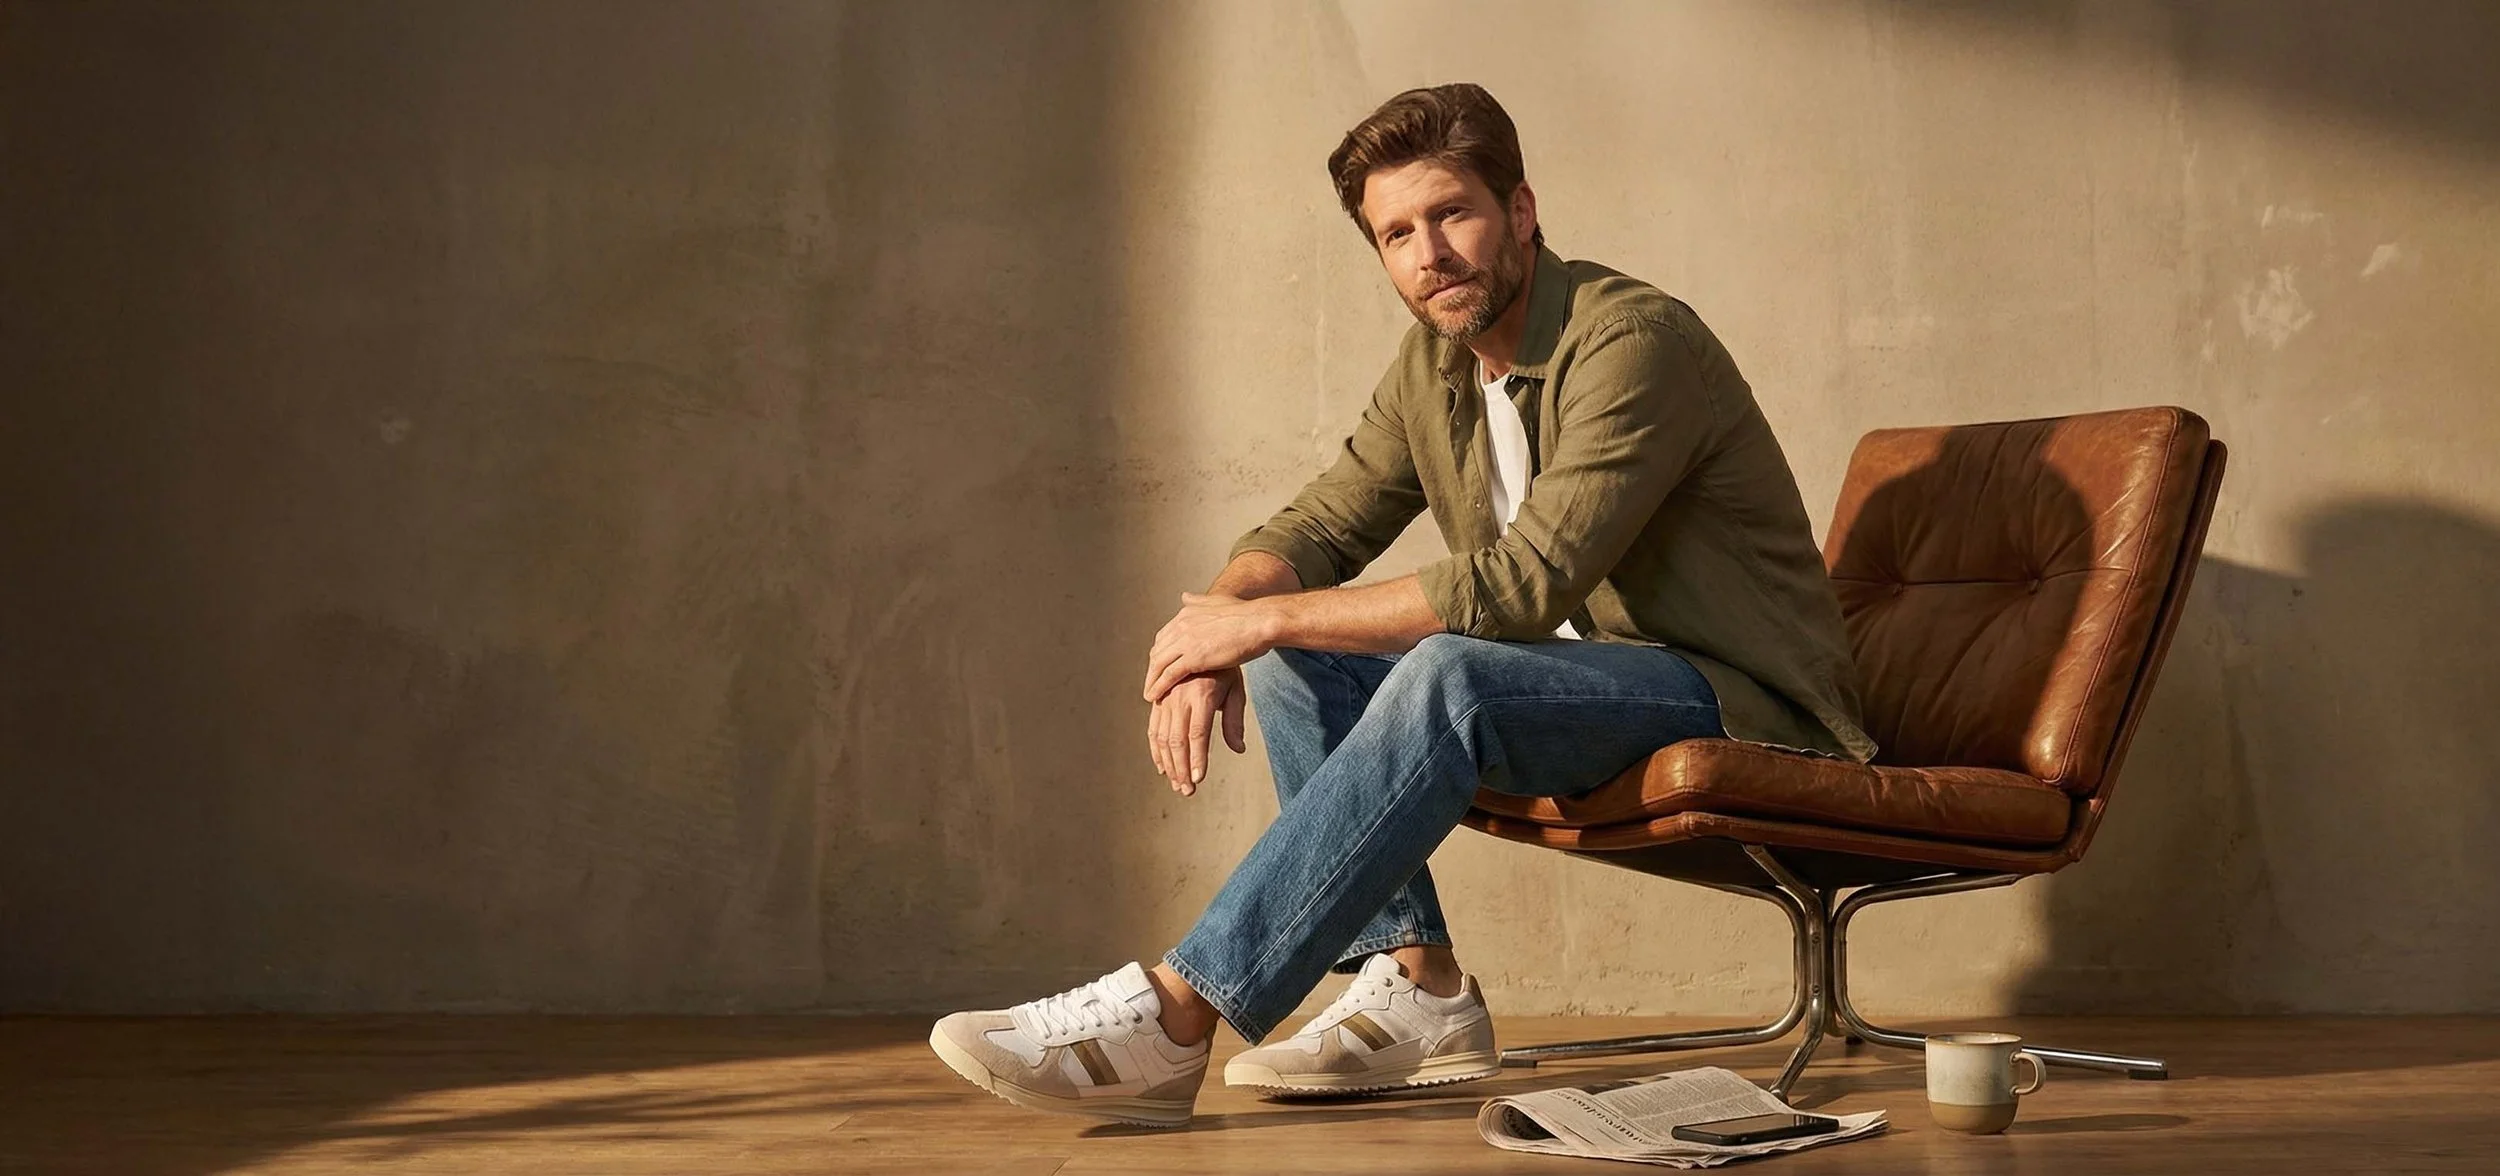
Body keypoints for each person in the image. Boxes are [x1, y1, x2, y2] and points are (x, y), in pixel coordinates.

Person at [929, 82, 1875, 1128]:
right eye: (1396, 234)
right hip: (1573, 691)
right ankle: (1417, 987)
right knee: (1304, 653)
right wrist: (1217, 628)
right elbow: (1317, 528)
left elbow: (1522, 586)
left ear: (1520, 211)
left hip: (1737, 700)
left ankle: (1173, 1017)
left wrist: (1263, 619)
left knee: (1442, 669)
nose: (1430, 255)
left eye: (1452, 213)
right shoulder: (1434, 365)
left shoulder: (1631, 342)